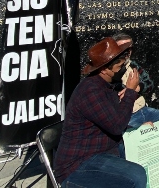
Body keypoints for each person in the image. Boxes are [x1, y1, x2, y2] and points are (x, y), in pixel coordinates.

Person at [54, 37, 147, 187]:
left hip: (104, 150)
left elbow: (113, 119)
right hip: (79, 163)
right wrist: (130, 92)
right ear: (104, 70)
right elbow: (116, 126)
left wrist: (138, 128)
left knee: (145, 151)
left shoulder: (106, 85)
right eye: (119, 66)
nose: (123, 69)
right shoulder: (90, 91)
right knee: (136, 175)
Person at [111, 33, 159, 137]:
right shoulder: (111, 70)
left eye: (129, 49)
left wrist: (138, 87)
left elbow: (149, 82)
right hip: (127, 116)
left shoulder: (132, 65)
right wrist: (127, 90)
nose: (127, 52)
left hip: (143, 109)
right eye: (122, 48)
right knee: (143, 136)